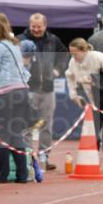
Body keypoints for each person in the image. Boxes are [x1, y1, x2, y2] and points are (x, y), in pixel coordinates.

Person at [0, 15, 31, 184]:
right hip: (21, 91)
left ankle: (1, 176)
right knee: (16, 133)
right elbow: (24, 70)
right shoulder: (14, 45)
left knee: (2, 134)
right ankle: (22, 175)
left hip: (5, 92)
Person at [20, 13, 67, 171]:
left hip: (48, 89)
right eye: (33, 26)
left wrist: (58, 70)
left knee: (46, 125)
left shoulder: (53, 40)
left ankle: (44, 159)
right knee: (25, 125)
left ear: (45, 25)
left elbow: (64, 56)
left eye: (39, 26)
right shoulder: (21, 40)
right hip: (27, 89)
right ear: (29, 25)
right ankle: (27, 159)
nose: (36, 29)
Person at [65, 38, 103, 172]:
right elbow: (69, 75)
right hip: (91, 100)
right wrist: (74, 95)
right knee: (93, 130)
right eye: (71, 53)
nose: (73, 56)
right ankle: (93, 158)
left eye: (75, 53)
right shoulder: (73, 62)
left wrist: (96, 81)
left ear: (83, 50)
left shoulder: (98, 57)